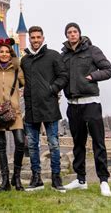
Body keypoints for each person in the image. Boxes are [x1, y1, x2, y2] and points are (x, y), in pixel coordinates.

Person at [61, 22, 111, 197]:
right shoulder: (64, 56)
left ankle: (103, 181)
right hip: (73, 105)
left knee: (98, 142)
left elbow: (109, 70)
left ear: (79, 33)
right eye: (69, 32)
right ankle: (81, 179)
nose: (72, 34)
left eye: (75, 31)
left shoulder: (92, 51)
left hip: (91, 103)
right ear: (66, 35)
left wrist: (92, 76)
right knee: (78, 144)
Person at [20, 26, 68, 192]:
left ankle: (56, 178)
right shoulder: (24, 60)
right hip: (31, 107)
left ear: (43, 38)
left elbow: (63, 76)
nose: (35, 40)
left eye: (38, 37)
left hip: (49, 106)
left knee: (53, 143)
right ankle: (36, 178)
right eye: (32, 37)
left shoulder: (53, 55)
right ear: (29, 39)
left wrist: (52, 89)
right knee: (33, 145)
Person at [0, 38, 26, 192]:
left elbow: (24, 83)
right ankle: (5, 181)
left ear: (11, 54)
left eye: (7, 52)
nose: (4, 54)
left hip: (14, 111)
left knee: (20, 142)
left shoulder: (17, 69)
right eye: (1, 52)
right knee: (1, 146)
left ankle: (16, 177)